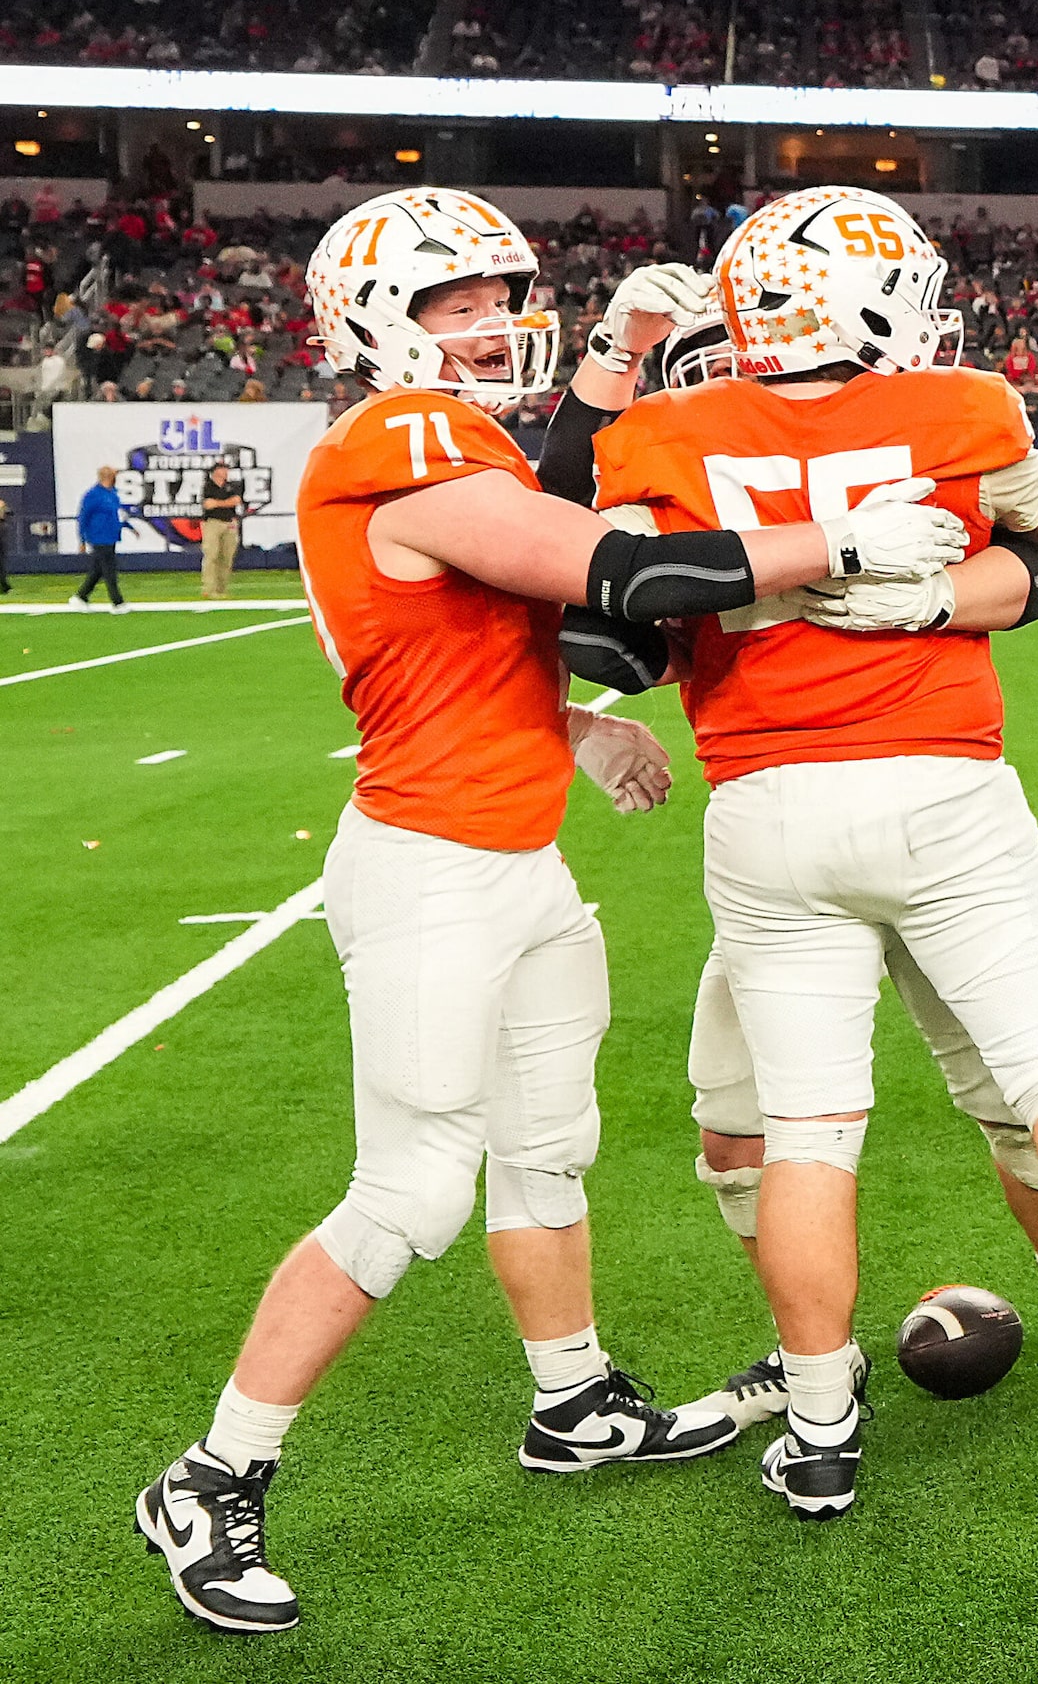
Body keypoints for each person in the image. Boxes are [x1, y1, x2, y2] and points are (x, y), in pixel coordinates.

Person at [132, 186, 964, 1636]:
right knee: (409, 1186)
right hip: (429, 870)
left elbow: (463, 634)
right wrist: (832, 538)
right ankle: (213, 1473)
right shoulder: (397, 436)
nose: (490, 322)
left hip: (508, 857)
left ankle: (572, 1398)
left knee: (546, 1149)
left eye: (500, 295)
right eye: (457, 302)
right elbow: (610, 565)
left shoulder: (449, 443)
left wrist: (575, 724)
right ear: (379, 317)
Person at [587, 186, 1038, 1521]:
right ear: (854, 296)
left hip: (765, 800)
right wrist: (938, 578)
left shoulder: (662, 431)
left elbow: (617, 596)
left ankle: (816, 1423)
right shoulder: (956, 407)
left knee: (805, 1126)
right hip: (936, 779)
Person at [71, 464, 127, 607]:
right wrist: (82, 539)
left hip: (111, 536)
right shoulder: (93, 495)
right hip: (99, 537)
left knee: (98, 570)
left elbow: (116, 515)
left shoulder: (112, 494)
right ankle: (117, 601)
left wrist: (127, 527)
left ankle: (81, 596)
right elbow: (83, 517)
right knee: (109, 569)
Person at [199, 460, 244, 598]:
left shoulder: (232, 486)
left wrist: (218, 503)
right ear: (216, 471)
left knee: (227, 557)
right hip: (213, 523)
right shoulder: (208, 487)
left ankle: (221, 589)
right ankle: (209, 589)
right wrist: (226, 503)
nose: (225, 472)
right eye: (222, 469)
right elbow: (207, 505)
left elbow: (236, 500)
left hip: (229, 523)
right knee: (211, 555)